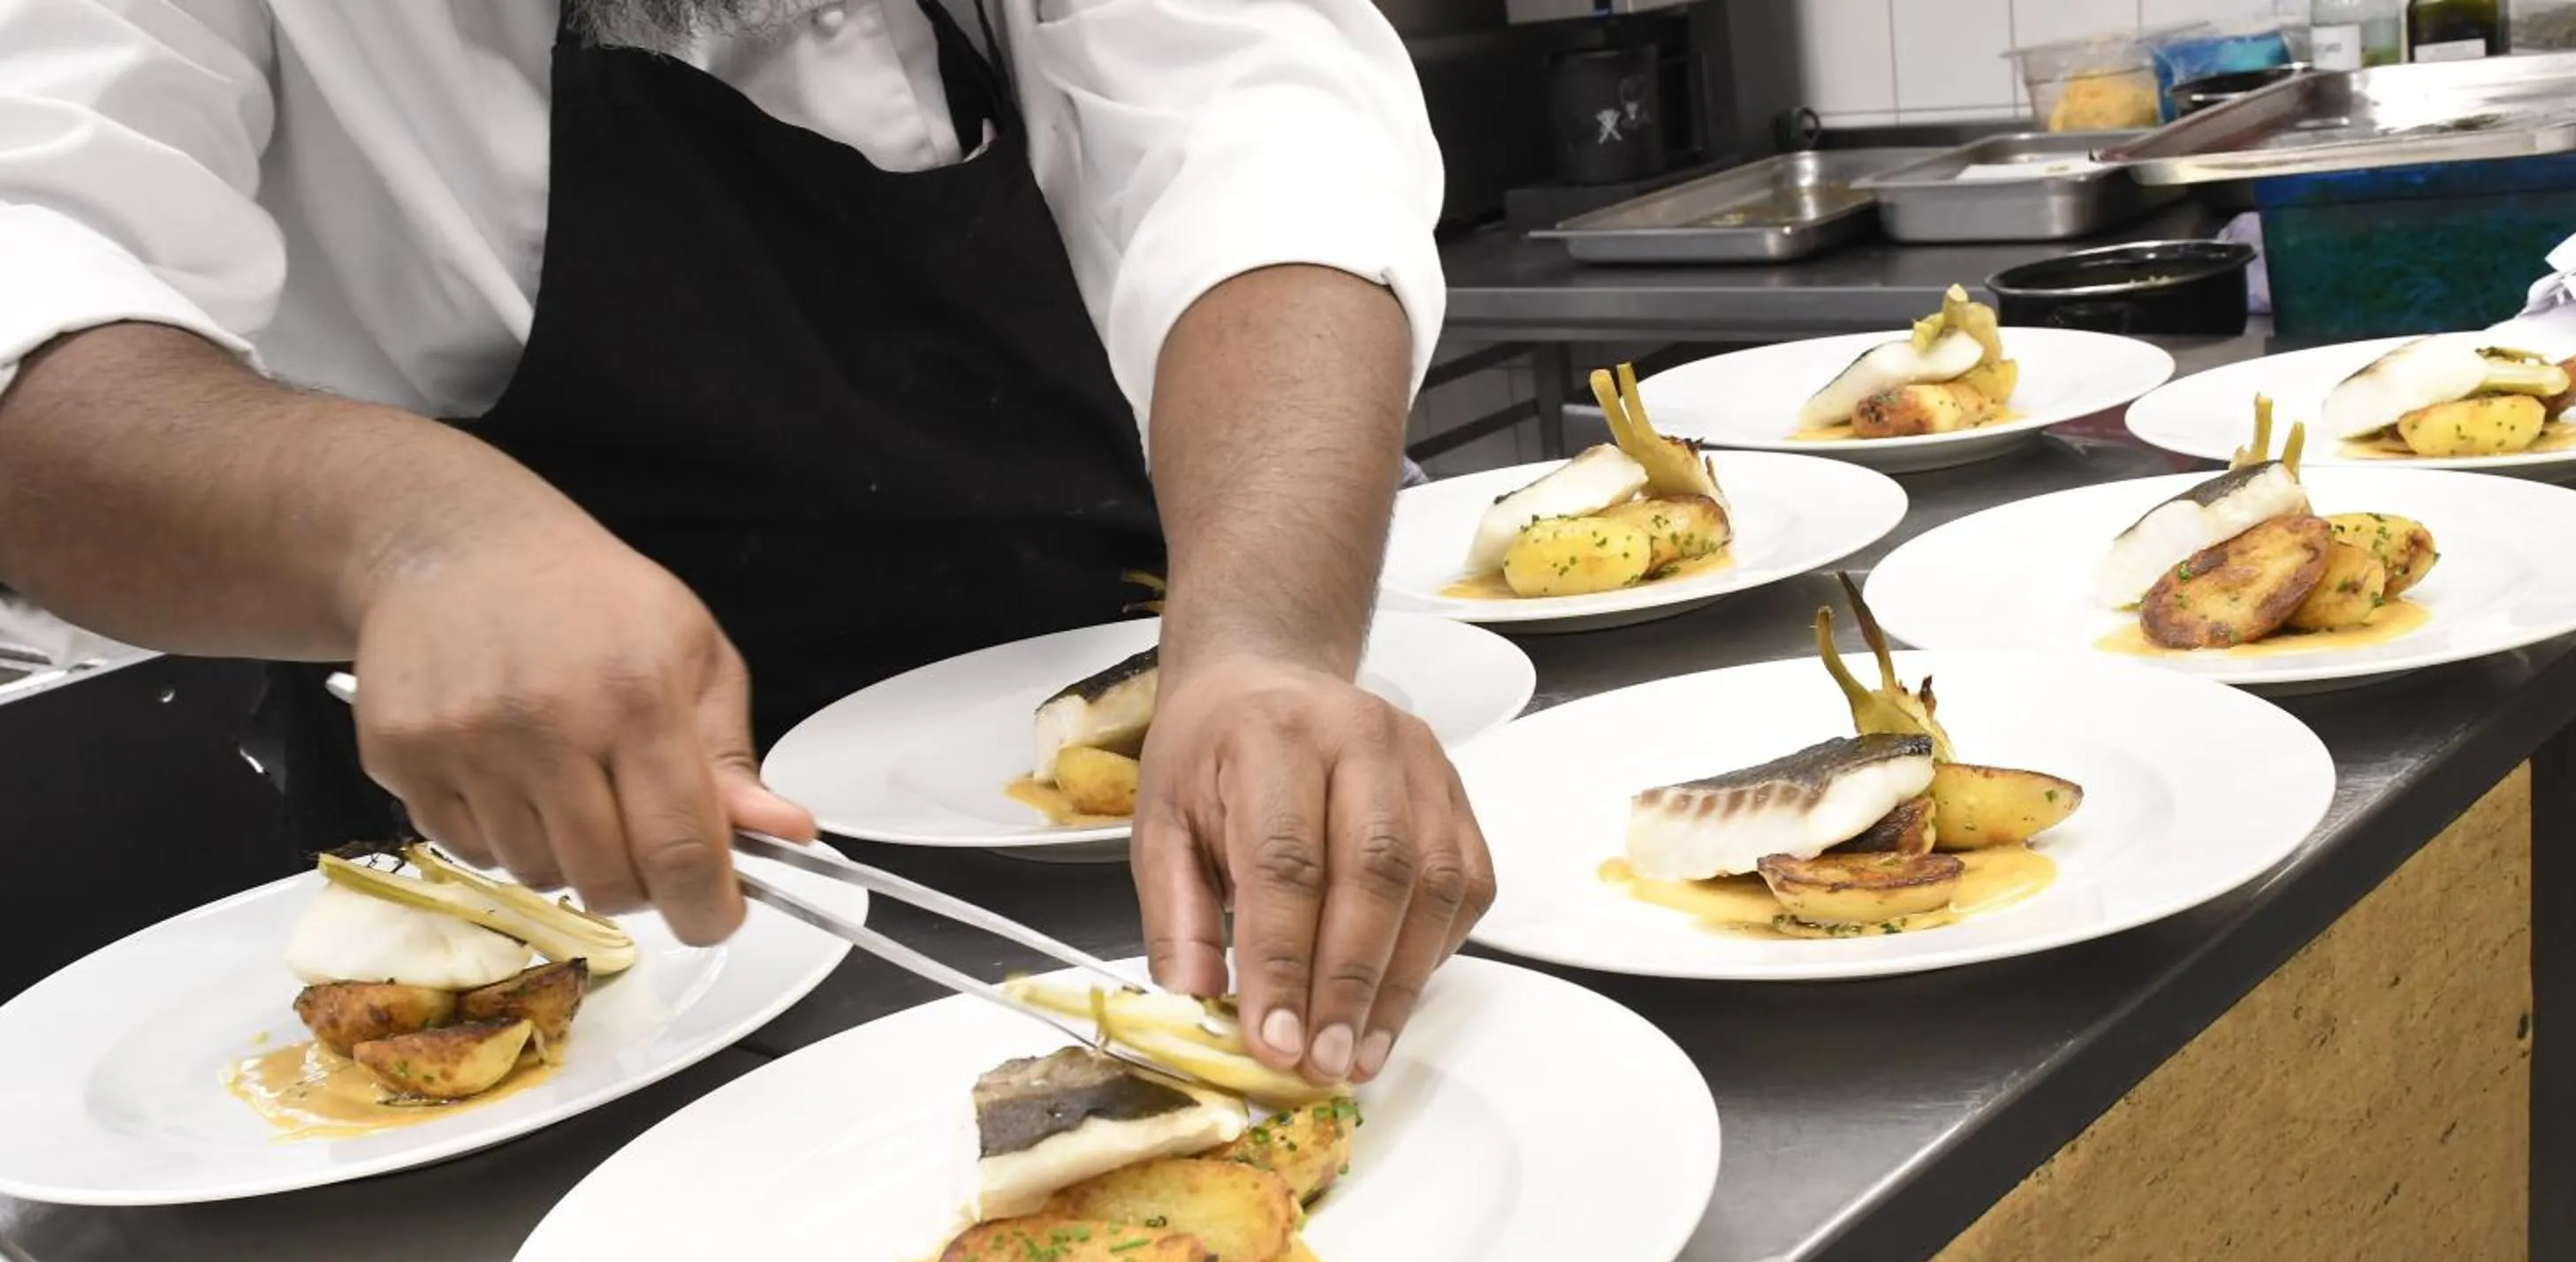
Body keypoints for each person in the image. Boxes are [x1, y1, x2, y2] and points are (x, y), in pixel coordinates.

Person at [0, 0, 1493, 1089]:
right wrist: (413, 533)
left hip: (1126, 826)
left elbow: (1261, 125)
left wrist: (1260, 646)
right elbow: (33, 269)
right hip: (558, 910)